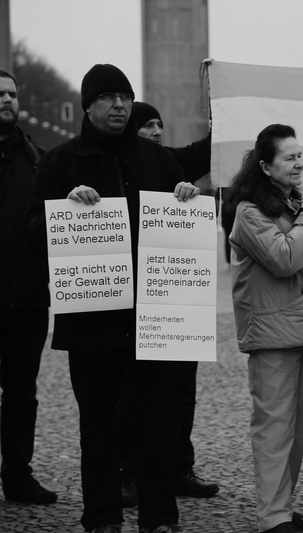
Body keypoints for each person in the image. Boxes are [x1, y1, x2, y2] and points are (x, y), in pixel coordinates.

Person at [26, 64, 200, 533]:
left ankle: (159, 517)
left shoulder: (161, 161)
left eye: (125, 96)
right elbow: (32, 232)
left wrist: (187, 199)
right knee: (98, 425)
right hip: (92, 319)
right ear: (87, 106)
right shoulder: (60, 163)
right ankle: (102, 517)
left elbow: (187, 226)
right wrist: (63, 211)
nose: (120, 104)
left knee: (160, 422)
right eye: (107, 97)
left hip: (155, 319)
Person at [227, 124, 303, 533]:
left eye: (299, 155)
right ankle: (273, 518)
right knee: (274, 428)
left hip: (301, 329)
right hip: (274, 334)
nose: (299, 163)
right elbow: (285, 258)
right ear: (265, 166)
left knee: (296, 427)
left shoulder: (291, 204)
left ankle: (283, 507)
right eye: (289, 157)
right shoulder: (250, 212)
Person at [114, 102, 217, 508]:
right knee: (131, 395)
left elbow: (207, 150)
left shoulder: (172, 162)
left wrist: (224, 110)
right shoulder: (109, 166)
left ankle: (179, 468)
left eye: (160, 124)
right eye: (148, 125)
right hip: (129, 299)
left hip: (175, 296)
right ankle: (129, 473)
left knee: (181, 388)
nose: (157, 131)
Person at [0, 68, 56, 505]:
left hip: (27, 299)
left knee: (22, 393)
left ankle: (17, 476)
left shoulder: (40, 160)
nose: (7, 100)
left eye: (12, 94)